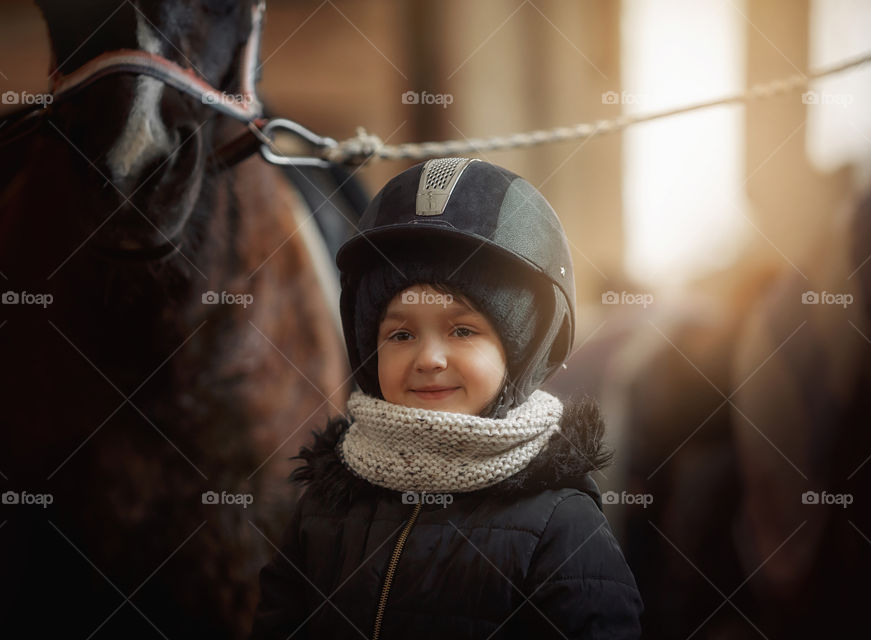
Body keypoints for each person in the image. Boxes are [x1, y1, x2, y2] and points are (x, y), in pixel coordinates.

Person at [250, 157, 643, 638]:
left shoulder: (562, 525)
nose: (429, 358)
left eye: (462, 330)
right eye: (399, 335)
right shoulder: (327, 506)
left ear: (522, 350)